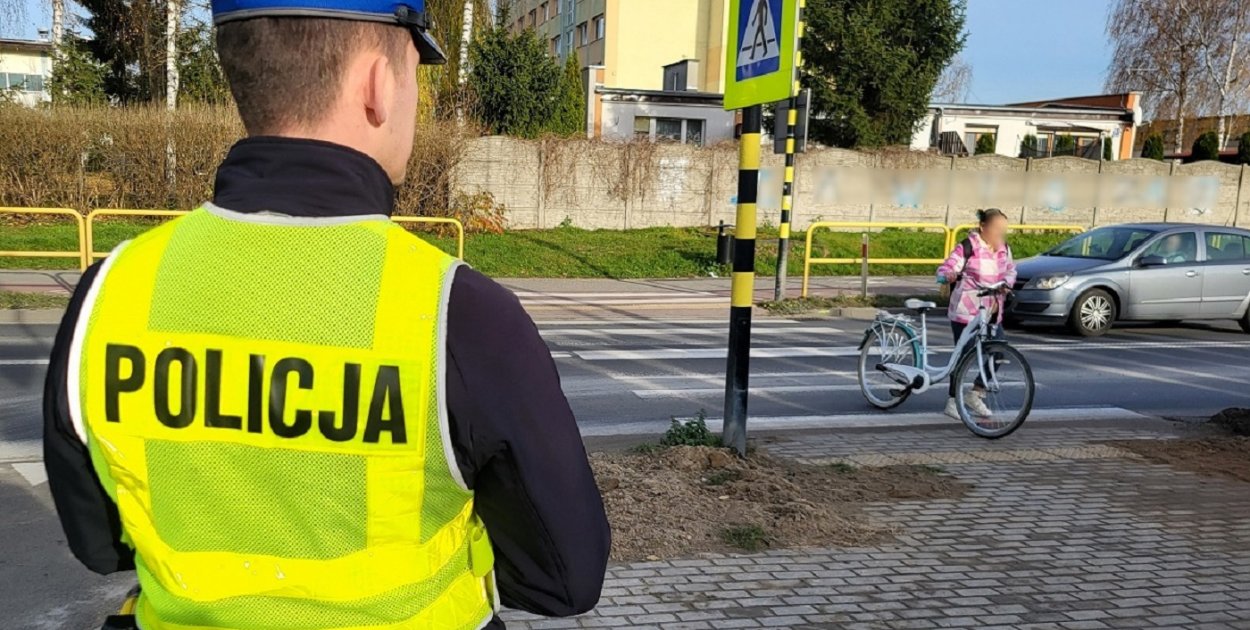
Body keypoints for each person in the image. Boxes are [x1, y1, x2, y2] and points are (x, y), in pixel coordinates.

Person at [42, 1, 611, 628]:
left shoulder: (110, 291)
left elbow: (100, 547)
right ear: (378, 84)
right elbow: (565, 581)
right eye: (415, 72)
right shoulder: (461, 314)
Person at [936, 208, 1017, 420]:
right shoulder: (968, 246)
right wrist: (948, 275)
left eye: (1003, 229)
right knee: (964, 355)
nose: (1000, 233)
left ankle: (976, 392)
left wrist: (1006, 284)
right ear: (983, 227)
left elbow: (1011, 270)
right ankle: (952, 401)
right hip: (966, 311)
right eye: (996, 228)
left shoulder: (1004, 248)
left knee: (998, 352)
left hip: (991, 311)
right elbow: (947, 268)